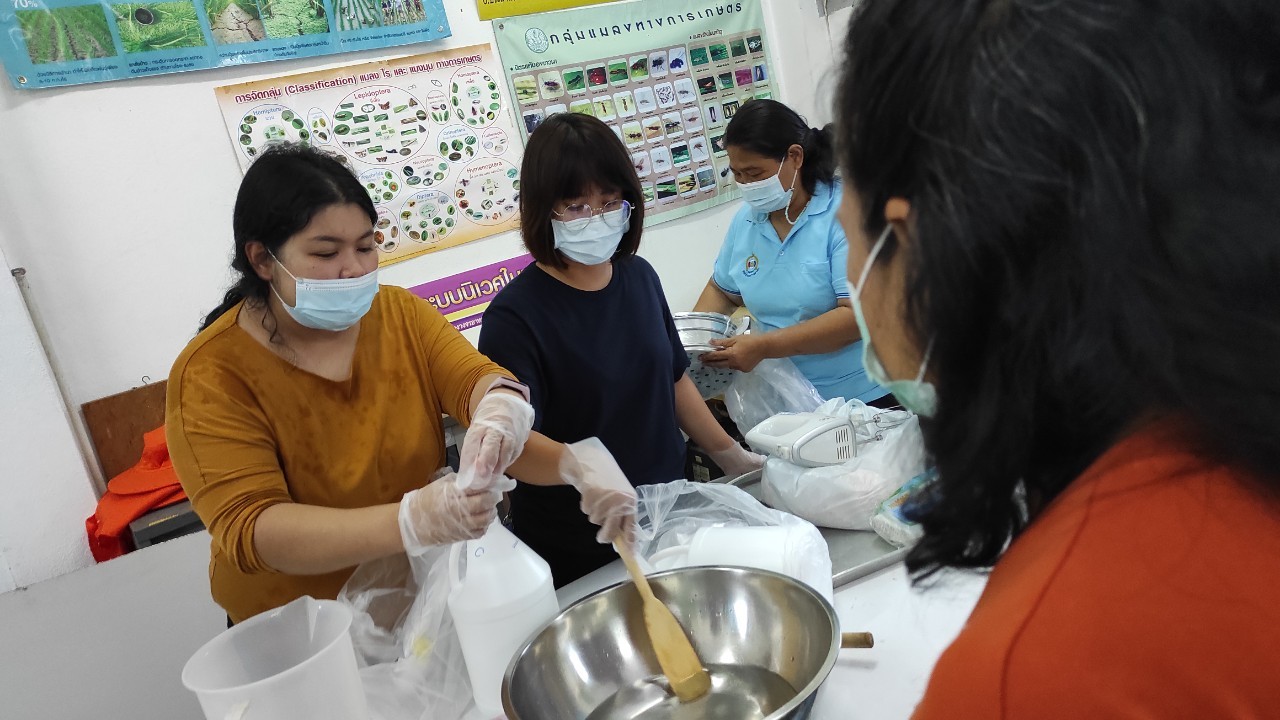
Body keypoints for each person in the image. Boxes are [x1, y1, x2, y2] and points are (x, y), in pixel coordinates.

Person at [834, 0, 1280, 716]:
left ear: (918, 253)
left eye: (847, 234)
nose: (851, 270)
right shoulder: (1229, 429)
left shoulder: (1037, 671)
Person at [166, 145, 633, 623]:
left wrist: (551, 445)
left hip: (420, 606)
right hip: (301, 633)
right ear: (263, 259)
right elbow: (254, 530)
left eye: (365, 247)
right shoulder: (212, 373)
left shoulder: (400, 316)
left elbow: (476, 382)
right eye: (326, 252)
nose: (354, 269)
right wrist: (411, 520)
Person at [478, 113, 764, 587]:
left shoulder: (639, 277)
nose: (596, 218)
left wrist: (731, 454)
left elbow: (673, 379)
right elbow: (513, 450)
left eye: (610, 202)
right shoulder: (514, 318)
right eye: (576, 206)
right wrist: (579, 468)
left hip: (669, 513)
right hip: (582, 545)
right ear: (542, 211)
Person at [693, 99, 885, 404]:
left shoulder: (847, 213)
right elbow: (723, 290)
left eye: (755, 173)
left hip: (863, 397)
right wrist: (692, 339)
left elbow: (855, 318)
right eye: (737, 174)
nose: (746, 184)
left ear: (795, 157)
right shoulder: (747, 221)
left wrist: (764, 346)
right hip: (787, 396)